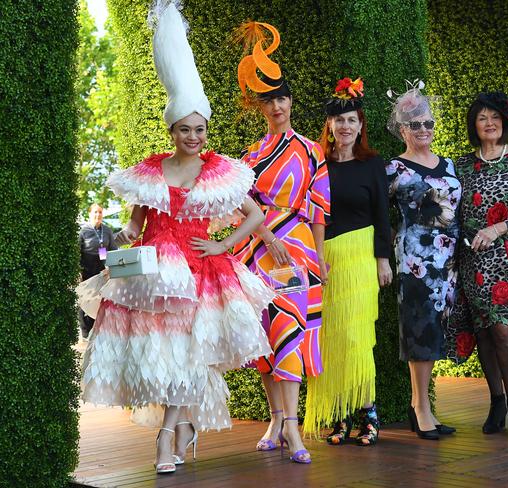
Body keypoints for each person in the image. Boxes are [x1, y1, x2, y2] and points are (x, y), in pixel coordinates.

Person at [76, 2, 273, 474]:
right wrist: (114, 256)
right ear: (172, 130)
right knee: (170, 358)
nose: (194, 137)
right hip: (158, 277)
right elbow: (132, 226)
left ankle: (169, 437)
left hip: (204, 271)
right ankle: (182, 428)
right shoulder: (151, 171)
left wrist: (224, 246)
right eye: (185, 129)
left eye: (200, 130)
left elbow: (253, 213)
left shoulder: (216, 170)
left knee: (192, 356)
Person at [232, 22, 330, 464]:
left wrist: (321, 259)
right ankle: (275, 418)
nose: (276, 106)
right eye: (268, 100)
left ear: (292, 102)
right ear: (261, 106)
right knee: (265, 336)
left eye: (282, 98)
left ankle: (293, 428)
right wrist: (265, 235)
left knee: (291, 329)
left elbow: (319, 209)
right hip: (257, 248)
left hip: (298, 250)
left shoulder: (312, 150)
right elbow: (240, 208)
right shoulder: (249, 157)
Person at [447, 91, 508, 440]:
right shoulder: (461, 165)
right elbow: (450, 211)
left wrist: (498, 228)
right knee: (484, 332)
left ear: (503, 121)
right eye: (482, 118)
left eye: (494, 117)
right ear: (474, 126)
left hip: (506, 258)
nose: (489, 123)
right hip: (472, 258)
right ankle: (496, 402)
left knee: (504, 329)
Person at [302, 77, 391, 446]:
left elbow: (383, 215)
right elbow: (309, 215)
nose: (345, 127)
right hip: (326, 258)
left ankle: (367, 414)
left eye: (352, 120)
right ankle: (338, 416)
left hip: (361, 256)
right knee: (331, 338)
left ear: (360, 125)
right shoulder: (317, 164)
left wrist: (383, 261)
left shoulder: (373, 165)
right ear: (329, 126)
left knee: (357, 338)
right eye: (339, 121)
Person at [385, 80, 460, 440]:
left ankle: (425, 405)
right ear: (402, 129)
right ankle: (419, 407)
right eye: (415, 125)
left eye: (428, 123)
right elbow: (378, 217)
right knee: (420, 330)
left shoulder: (448, 164)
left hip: (450, 262)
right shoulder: (393, 170)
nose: (424, 130)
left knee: (440, 329)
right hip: (416, 262)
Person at [78, 203, 117, 339]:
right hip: (87, 268)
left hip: (102, 269)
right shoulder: (84, 231)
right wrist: (78, 271)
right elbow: (76, 252)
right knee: (86, 298)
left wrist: (112, 267)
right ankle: (85, 331)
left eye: (100, 212)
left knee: (100, 300)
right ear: (90, 214)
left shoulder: (107, 231)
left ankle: (97, 330)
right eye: (95, 212)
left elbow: (113, 250)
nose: (98, 215)